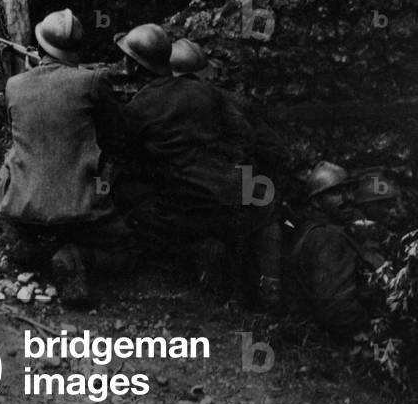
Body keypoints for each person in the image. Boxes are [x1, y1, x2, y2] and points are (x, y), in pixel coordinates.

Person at [104, 24, 266, 300]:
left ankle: (191, 254)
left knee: (127, 202)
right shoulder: (207, 93)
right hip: (230, 205)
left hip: (181, 210)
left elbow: (121, 157)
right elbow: (246, 138)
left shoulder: (139, 107)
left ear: (133, 67)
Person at [0, 10, 136, 308]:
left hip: (23, 205)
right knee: (127, 248)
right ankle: (78, 255)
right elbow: (119, 139)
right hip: (81, 209)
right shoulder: (93, 81)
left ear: (40, 47)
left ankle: (28, 246)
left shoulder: (14, 85)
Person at [169, 38, 284, 308]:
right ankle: (270, 287)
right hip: (232, 185)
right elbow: (273, 149)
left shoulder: (161, 101)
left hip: (183, 188)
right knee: (266, 213)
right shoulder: (232, 101)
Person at [288, 162, 399, 338]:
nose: (348, 199)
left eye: (349, 191)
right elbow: (337, 310)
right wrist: (380, 332)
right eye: (337, 193)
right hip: (345, 340)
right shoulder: (326, 237)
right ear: (317, 201)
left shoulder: (315, 228)